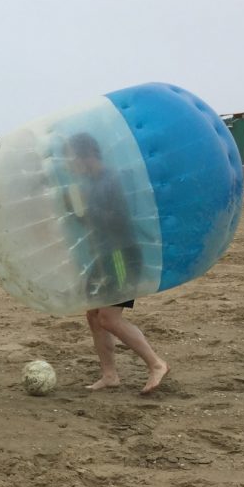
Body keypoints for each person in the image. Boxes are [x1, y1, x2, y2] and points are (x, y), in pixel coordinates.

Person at [63, 132, 168, 394]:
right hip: (104, 257)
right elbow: (90, 221)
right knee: (93, 315)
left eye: (70, 156)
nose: (68, 163)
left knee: (108, 318)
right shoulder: (91, 182)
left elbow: (118, 220)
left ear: (85, 156)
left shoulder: (108, 181)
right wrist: (76, 211)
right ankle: (109, 375)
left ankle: (156, 364)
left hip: (121, 256)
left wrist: (86, 209)